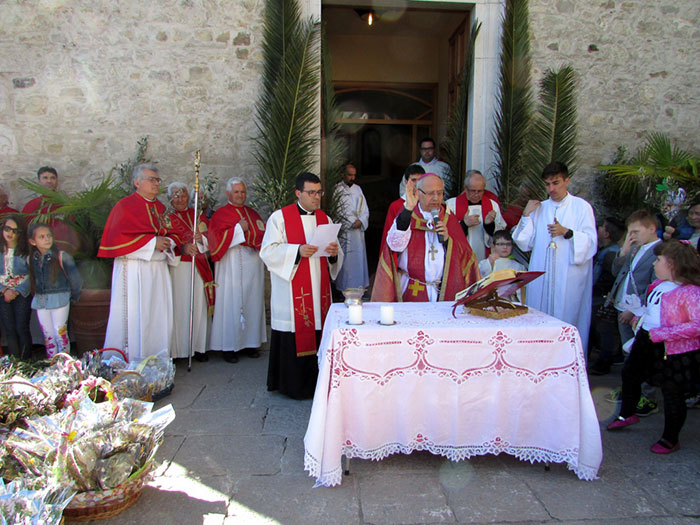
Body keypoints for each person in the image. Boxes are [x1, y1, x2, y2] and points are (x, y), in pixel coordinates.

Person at [606, 240, 700, 454]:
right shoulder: (659, 284)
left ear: (673, 265)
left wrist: (662, 334)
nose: (654, 264)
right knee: (630, 373)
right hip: (646, 337)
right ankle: (628, 413)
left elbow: (696, 325)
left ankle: (670, 438)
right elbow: (653, 308)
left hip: (673, 349)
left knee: (672, 392)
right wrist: (640, 318)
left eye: (658, 260)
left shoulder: (691, 292)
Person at [260, 172, 343, 399]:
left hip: (319, 291)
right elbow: (267, 251)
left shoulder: (324, 218)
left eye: (319, 192)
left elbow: (333, 253)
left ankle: (318, 384)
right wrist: (297, 251)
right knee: (294, 333)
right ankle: (292, 386)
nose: (317, 197)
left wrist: (334, 254)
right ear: (298, 193)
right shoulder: (280, 218)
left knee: (318, 331)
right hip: (292, 293)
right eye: (311, 193)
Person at [512, 161, 597, 351]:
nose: (551, 188)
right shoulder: (539, 208)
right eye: (547, 184)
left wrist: (567, 232)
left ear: (567, 181)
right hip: (542, 277)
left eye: (556, 183)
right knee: (539, 320)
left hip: (569, 277)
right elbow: (523, 242)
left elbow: (591, 243)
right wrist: (526, 216)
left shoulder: (581, 208)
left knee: (567, 316)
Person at [99, 164, 176, 362]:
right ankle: (132, 359)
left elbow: (169, 233)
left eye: (157, 180)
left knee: (157, 314)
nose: (155, 183)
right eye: (151, 179)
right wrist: (152, 243)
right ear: (136, 182)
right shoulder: (124, 206)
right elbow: (118, 239)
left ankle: (157, 358)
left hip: (158, 270)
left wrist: (169, 243)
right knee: (136, 315)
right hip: (134, 269)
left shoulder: (160, 208)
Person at [371, 173, 480, 302]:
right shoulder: (407, 216)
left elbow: (465, 256)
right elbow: (394, 246)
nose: (436, 198)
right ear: (418, 193)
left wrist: (448, 242)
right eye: (430, 193)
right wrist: (408, 209)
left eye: (440, 193)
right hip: (412, 290)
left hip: (442, 291)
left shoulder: (448, 218)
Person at [604, 210, 661, 413]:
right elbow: (616, 271)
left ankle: (647, 395)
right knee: (627, 351)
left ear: (652, 229)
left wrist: (635, 311)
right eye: (630, 232)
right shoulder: (636, 249)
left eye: (636, 231)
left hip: (639, 312)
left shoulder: (659, 251)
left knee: (642, 354)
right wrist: (625, 250)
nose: (632, 236)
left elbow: (655, 285)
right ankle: (629, 388)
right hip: (623, 305)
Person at [208, 178, 267, 363]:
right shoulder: (220, 214)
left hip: (252, 265)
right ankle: (229, 347)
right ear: (228, 194)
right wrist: (237, 230)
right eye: (236, 192)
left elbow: (262, 235)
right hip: (230, 263)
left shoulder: (253, 213)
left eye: (242, 191)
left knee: (252, 302)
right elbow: (215, 240)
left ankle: (250, 343)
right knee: (231, 303)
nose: (240, 195)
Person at [167, 182, 215, 362]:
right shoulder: (166, 217)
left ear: (189, 197)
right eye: (176, 196)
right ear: (170, 198)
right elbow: (164, 239)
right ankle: (178, 350)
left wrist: (201, 238)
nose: (180, 199)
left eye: (183, 195)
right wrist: (182, 246)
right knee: (178, 307)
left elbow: (212, 238)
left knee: (198, 306)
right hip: (178, 268)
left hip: (198, 267)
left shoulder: (197, 216)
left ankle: (199, 347)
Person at [28, 223, 82, 357]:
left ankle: (65, 365)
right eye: (42, 237)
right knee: (48, 335)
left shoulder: (62, 256)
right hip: (41, 301)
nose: (47, 239)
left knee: (60, 333)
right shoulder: (32, 259)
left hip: (60, 298)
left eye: (49, 236)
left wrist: (74, 296)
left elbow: (76, 280)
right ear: (33, 241)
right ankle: (52, 364)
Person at [588, 217, 625, 375]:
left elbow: (610, 277)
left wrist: (600, 291)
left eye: (601, 227)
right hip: (598, 295)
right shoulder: (604, 251)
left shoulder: (611, 254)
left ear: (607, 233)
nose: (598, 229)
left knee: (604, 329)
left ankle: (605, 360)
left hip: (602, 296)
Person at [447, 170, 506, 261]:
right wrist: (463, 224)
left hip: (485, 257)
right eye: (473, 191)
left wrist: (489, 225)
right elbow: (446, 232)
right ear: (465, 188)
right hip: (460, 257)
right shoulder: (451, 204)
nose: (476, 195)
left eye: (480, 191)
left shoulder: (492, 205)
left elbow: (501, 234)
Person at [22, 166, 78, 253]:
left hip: (63, 250)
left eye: (53, 178)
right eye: (45, 178)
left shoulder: (66, 204)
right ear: (39, 181)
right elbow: (25, 229)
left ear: (57, 181)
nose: (49, 181)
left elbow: (73, 228)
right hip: (38, 251)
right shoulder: (32, 205)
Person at [0, 215, 32, 360]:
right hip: (2, 293)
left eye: (15, 230)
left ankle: (26, 362)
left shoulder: (26, 252)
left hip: (22, 294)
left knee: (21, 328)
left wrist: (17, 291)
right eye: (7, 228)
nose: (10, 233)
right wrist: (4, 290)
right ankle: (14, 363)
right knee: (9, 329)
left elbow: (33, 275)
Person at [334, 161, 369, 291]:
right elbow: (338, 211)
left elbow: (365, 209)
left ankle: (359, 287)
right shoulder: (337, 189)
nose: (352, 178)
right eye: (349, 175)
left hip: (358, 231)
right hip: (346, 232)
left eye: (354, 175)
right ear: (343, 174)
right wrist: (350, 222)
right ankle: (344, 288)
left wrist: (361, 220)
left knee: (358, 259)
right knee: (346, 260)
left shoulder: (358, 189)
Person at [381, 164, 425, 246]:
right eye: (413, 180)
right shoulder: (396, 206)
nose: (417, 184)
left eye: (420, 180)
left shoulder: (427, 205)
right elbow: (388, 237)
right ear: (406, 181)